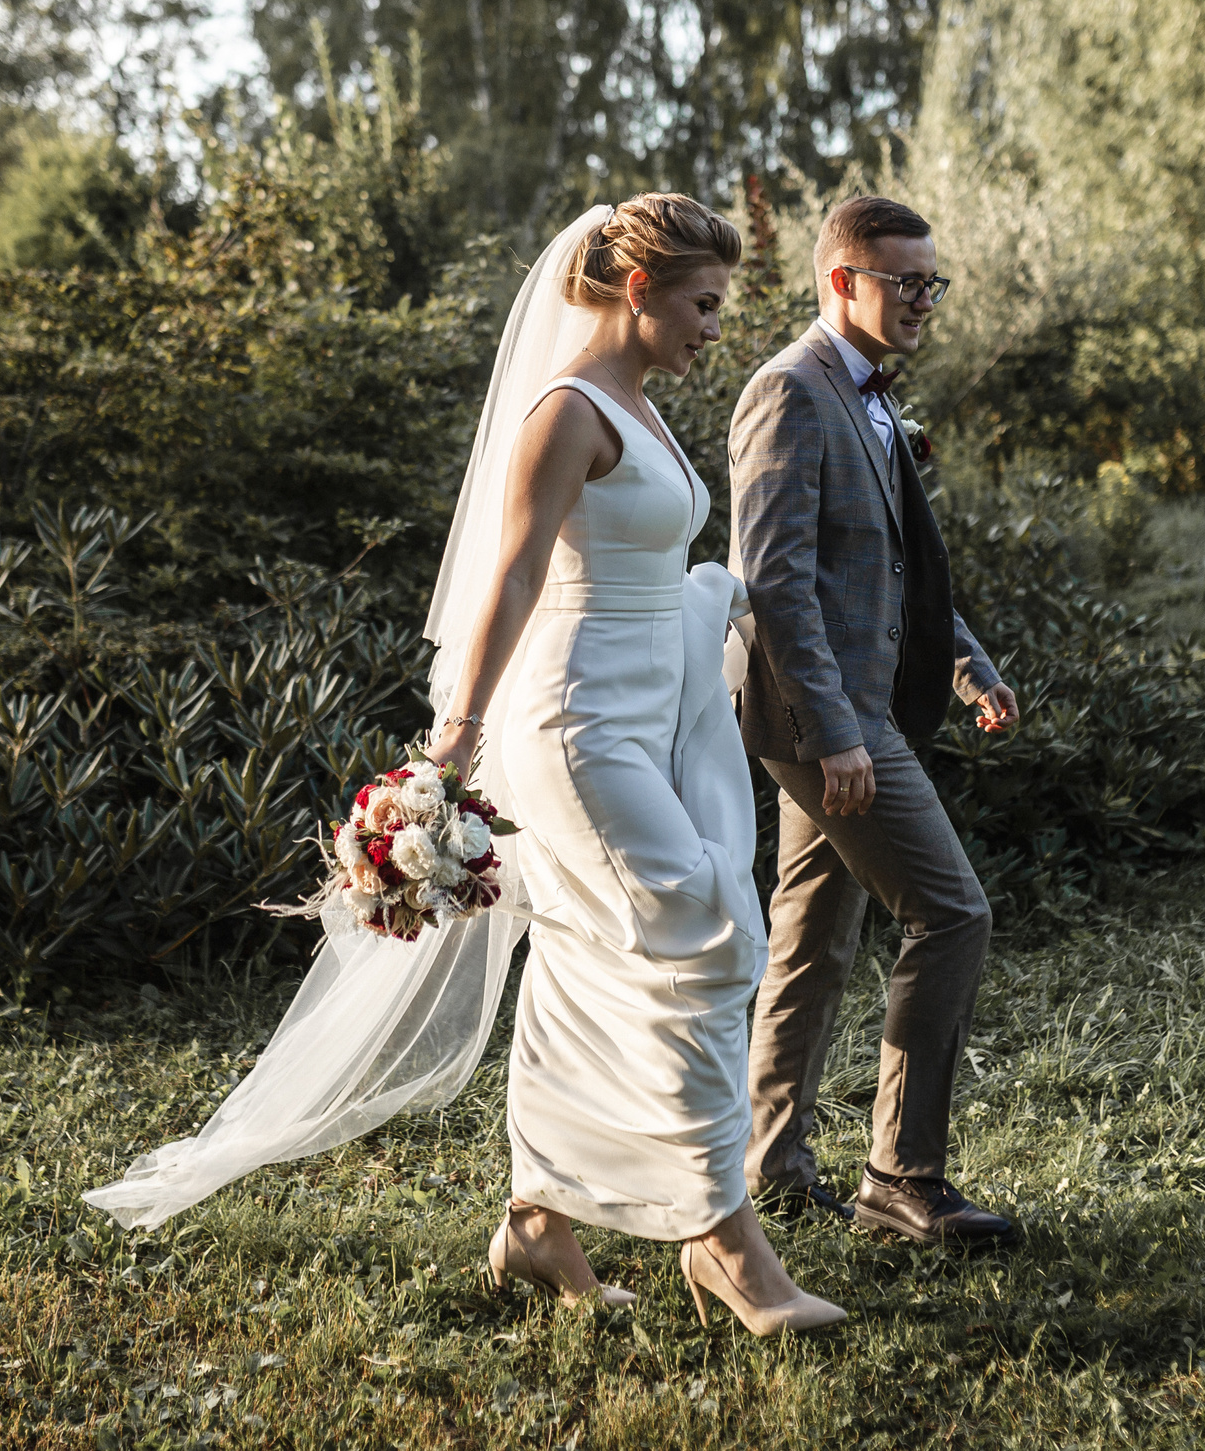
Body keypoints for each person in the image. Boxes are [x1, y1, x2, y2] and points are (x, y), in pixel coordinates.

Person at [85, 195, 844, 1338]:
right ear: (638, 290)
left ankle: (537, 1223)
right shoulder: (566, 411)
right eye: (701, 304)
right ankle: (725, 1244)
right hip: (579, 727)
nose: (713, 327)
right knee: (701, 934)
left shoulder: (639, 405)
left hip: (658, 715)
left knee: (591, 957)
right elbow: (514, 576)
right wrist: (457, 737)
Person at [730, 194, 1023, 1247]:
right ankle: (902, 1178)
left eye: (930, 281)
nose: (923, 299)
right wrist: (836, 733)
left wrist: (967, 666)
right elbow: (774, 584)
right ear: (840, 281)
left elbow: (890, 569)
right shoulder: (790, 391)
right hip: (823, 716)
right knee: (951, 914)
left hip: (848, 707)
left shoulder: (867, 396)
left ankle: (769, 1167)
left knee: (813, 934)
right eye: (905, 281)